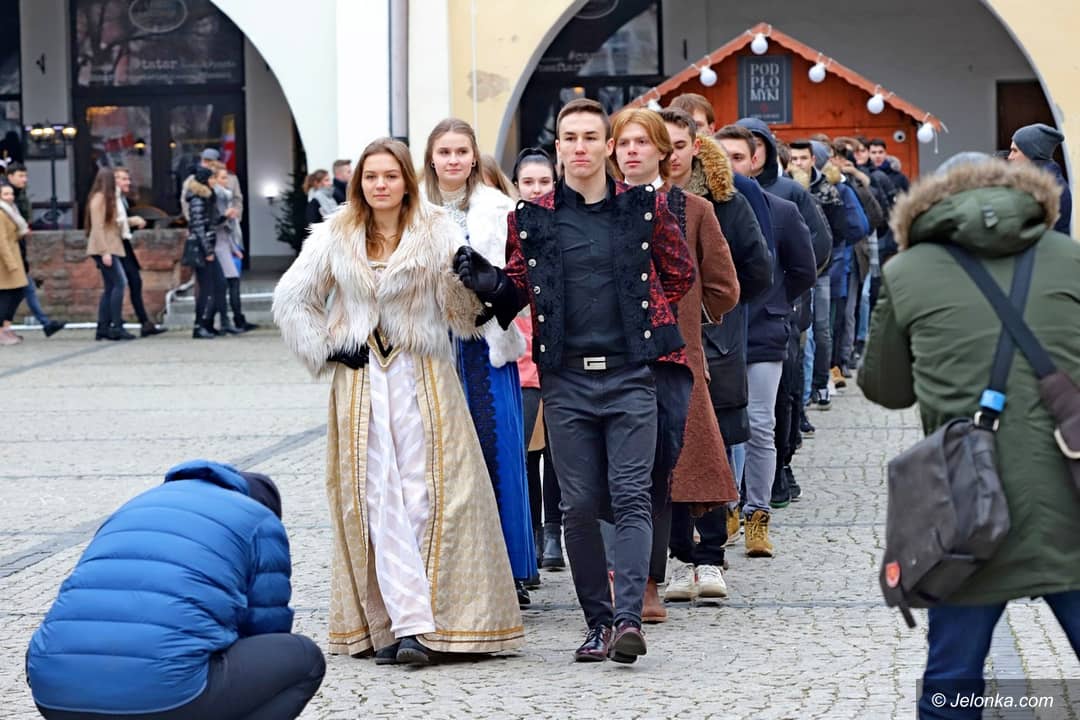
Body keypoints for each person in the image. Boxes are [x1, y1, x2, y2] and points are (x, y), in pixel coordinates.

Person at [454, 98, 696, 663]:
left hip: (631, 375)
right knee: (580, 506)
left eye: (591, 137)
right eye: (570, 137)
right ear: (558, 147)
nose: (580, 147)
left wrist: (641, 315)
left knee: (632, 495)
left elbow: (680, 273)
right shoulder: (530, 217)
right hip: (565, 380)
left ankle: (629, 619)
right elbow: (517, 289)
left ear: (607, 146)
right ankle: (598, 623)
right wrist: (491, 284)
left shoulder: (644, 208)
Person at [273, 137, 523, 666]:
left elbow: (460, 313)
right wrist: (329, 346)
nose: (380, 185)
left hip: (424, 375)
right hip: (362, 380)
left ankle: (428, 623)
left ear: (407, 181)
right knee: (375, 497)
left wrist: (482, 287)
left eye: (390, 175)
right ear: (358, 183)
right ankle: (395, 623)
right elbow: (292, 299)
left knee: (429, 496)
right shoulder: (336, 234)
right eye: (371, 176)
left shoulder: (436, 230)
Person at [857, 154, 1080, 720]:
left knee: (952, 685)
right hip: (1072, 497)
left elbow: (885, 388)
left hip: (967, 508)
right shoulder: (1070, 258)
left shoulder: (907, 272)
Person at [26, 460, 325, 719]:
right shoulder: (258, 519)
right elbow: (265, 627)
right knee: (305, 659)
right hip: (166, 697)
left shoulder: (134, 506)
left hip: (53, 693)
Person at [611, 107, 739, 622]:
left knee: (670, 469)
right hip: (611, 357)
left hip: (675, 358)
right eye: (625, 142)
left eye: (643, 142)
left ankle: (657, 578)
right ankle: (624, 581)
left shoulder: (694, 209)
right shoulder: (602, 206)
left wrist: (689, 319)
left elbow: (724, 286)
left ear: (664, 151)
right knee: (620, 474)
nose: (633, 151)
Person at [659, 108, 773, 599]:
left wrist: (701, 315)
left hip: (707, 344)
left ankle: (708, 556)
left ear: (695, 147)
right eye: (662, 144)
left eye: (679, 145)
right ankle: (673, 557)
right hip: (648, 350)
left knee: (707, 449)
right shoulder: (631, 200)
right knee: (664, 456)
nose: (670, 155)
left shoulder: (718, 203)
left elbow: (748, 273)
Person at [422, 118, 534, 607]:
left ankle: (508, 570)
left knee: (499, 457)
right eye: (444, 151)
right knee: (440, 461)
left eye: (461, 151)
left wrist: (493, 290)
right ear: (431, 158)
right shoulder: (413, 210)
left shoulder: (500, 208)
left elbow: (522, 280)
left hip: (487, 345)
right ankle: (447, 570)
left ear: (473, 157)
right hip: (432, 348)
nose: (453, 159)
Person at [716, 124, 817, 556]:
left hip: (763, 330)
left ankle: (757, 513)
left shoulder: (782, 210)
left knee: (759, 423)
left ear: (755, 160)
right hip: (719, 333)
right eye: (722, 157)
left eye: (738, 157)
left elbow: (804, 270)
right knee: (722, 426)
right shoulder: (706, 209)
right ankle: (725, 508)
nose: (729, 166)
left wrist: (775, 302)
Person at [511, 147, 564, 572]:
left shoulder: (568, 224)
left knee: (561, 455)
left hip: (562, 356)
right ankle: (530, 537)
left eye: (544, 181)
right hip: (521, 356)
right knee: (527, 454)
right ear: (516, 186)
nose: (536, 189)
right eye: (528, 182)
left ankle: (554, 533)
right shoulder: (508, 228)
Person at [3, 163, 64, 337]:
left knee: (22, 290)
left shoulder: (18, 198)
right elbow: (4, 238)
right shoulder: (6, 203)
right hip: (10, 255)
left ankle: (10, 327)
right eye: (21, 176)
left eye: (25, 176)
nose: (25, 179)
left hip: (18, 251)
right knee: (19, 290)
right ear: (10, 176)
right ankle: (40, 323)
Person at [183, 166, 236, 339]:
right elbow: (198, 226)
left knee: (219, 284)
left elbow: (210, 222)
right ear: (206, 180)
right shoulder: (197, 198)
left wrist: (224, 216)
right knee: (207, 287)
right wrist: (208, 251)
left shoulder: (207, 196)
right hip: (202, 248)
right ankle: (199, 325)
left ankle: (207, 323)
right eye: (212, 178)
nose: (214, 181)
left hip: (207, 246)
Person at [113, 167, 167, 337]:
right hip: (115, 245)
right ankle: (112, 323)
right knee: (117, 284)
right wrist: (132, 221)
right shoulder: (111, 199)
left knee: (134, 281)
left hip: (124, 243)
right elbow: (112, 223)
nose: (128, 182)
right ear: (114, 180)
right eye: (123, 179)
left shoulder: (123, 199)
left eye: (128, 179)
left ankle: (144, 322)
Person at [85, 168, 135, 341]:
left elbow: (113, 223)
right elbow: (97, 227)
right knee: (120, 283)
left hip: (111, 246)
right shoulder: (99, 199)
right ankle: (116, 326)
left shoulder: (108, 198)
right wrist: (104, 251)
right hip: (105, 247)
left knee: (110, 287)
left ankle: (103, 327)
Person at [210, 162, 257, 332]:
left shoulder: (225, 195)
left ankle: (228, 320)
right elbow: (215, 223)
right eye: (223, 178)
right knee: (227, 283)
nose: (227, 181)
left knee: (227, 283)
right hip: (218, 245)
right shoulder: (215, 197)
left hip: (227, 243)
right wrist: (226, 216)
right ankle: (224, 321)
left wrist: (234, 247)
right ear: (214, 179)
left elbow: (228, 226)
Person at [1008, 122, 1071, 234]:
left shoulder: (1048, 187)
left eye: (1015, 151)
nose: (1010, 157)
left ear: (1032, 152)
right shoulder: (1042, 181)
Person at [0, 182, 29, 346]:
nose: (10, 197)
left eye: (11, 194)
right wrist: (10, 264)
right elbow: (2, 241)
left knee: (17, 292)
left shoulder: (11, 211)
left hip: (14, 255)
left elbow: (11, 235)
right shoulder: (1, 213)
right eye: (5, 194)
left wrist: (20, 232)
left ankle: (6, 328)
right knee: (7, 295)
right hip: (5, 261)